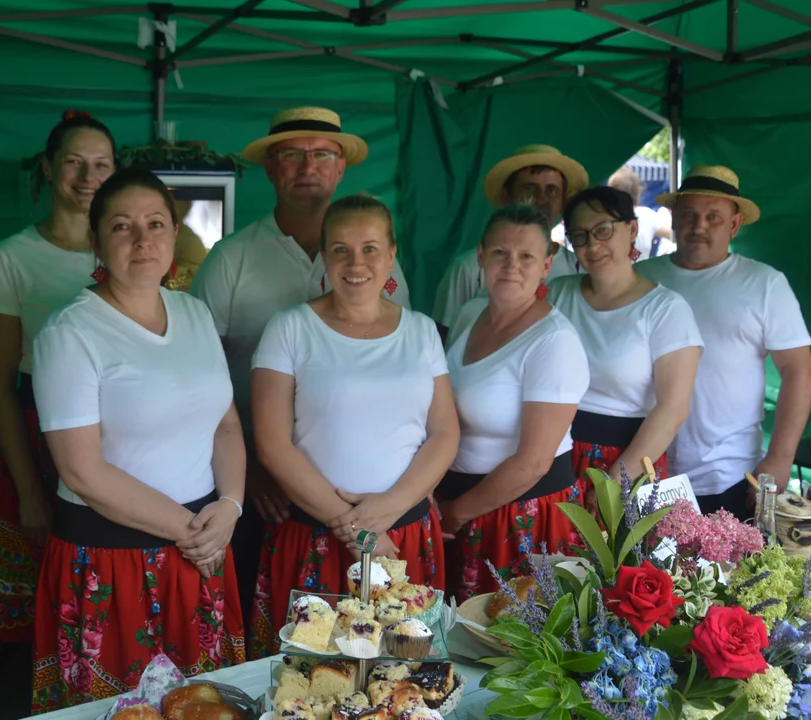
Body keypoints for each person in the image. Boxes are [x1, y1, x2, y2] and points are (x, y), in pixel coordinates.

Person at [30, 169, 246, 712]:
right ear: (95, 240)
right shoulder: (69, 332)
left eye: (155, 223)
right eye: (122, 226)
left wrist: (231, 505)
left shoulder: (195, 313)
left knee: (204, 705)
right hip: (113, 559)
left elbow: (225, 425)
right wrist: (193, 533)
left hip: (201, 544)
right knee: (124, 711)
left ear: (175, 233)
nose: (142, 239)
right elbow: (81, 471)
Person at [190, 107, 411, 627]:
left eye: (322, 154)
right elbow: (200, 373)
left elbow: (401, 366)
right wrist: (252, 466)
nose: (307, 166)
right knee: (285, 627)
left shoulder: (382, 262)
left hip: (364, 488)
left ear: (341, 169)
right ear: (270, 168)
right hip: (264, 486)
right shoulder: (231, 258)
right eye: (292, 155)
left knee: (375, 637)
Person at [247, 195, 458, 659]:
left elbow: (444, 432)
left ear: (391, 255)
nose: (355, 262)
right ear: (324, 256)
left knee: (402, 684)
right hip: (316, 537)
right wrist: (359, 533)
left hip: (403, 536)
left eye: (369, 248)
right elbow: (272, 444)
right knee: (310, 685)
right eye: (340, 249)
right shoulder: (289, 328)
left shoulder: (421, 330)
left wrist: (388, 511)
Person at [0, 110, 115, 644]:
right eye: (74, 163)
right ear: (49, 168)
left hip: (116, 430)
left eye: (101, 164)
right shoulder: (10, 259)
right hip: (40, 430)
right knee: (45, 580)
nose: (87, 177)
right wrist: (30, 488)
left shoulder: (129, 251)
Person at [639, 165, 811, 518]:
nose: (698, 226)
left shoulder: (764, 284)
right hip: (642, 467)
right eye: (688, 214)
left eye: (713, 217)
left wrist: (780, 457)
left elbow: (799, 372)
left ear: (734, 224)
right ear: (673, 218)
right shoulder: (640, 279)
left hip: (730, 473)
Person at [438, 205, 589, 602]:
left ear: (547, 264)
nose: (511, 266)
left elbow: (533, 462)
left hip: (519, 516)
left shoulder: (554, 341)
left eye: (526, 257)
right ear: (481, 255)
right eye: (501, 253)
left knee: (504, 646)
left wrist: (455, 513)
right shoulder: (471, 313)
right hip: (461, 506)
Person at [549, 186, 703, 495]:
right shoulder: (557, 293)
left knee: (615, 544)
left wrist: (616, 479)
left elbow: (673, 408)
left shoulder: (665, 310)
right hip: (552, 452)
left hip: (626, 459)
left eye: (603, 230)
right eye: (579, 235)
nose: (592, 245)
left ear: (631, 229)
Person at [431, 144, 588, 338]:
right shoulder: (469, 268)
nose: (541, 199)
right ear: (506, 195)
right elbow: (442, 338)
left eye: (552, 191)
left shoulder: (579, 269)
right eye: (529, 188)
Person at [607, 167, 673, 259]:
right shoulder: (647, 215)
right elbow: (674, 235)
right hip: (640, 271)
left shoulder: (604, 217)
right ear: (637, 191)